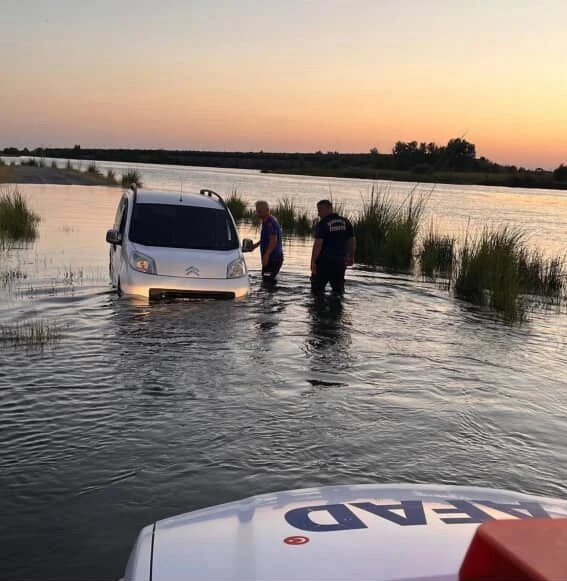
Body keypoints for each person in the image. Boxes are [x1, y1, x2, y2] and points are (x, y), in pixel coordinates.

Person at [310, 199, 355, 295]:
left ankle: (318, 304)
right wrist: (351, 256)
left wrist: (313, 262)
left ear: (329, 209)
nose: (318, 214)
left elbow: (318, 244)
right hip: (340, 263)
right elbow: (351, 241)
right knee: (338, 292)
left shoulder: (322, 224)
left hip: (324, 263)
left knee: (317, 292)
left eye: (320, 210)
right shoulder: (345, 222)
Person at [252, 200, 284, 283]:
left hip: (273, 259)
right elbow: (267, 238)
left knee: (267, 281)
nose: (258, 214)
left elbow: (274, 240)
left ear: (267, 210)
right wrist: (255, 245)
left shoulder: (270, 223)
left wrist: (267, 255)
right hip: (271, 258)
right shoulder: (266, 221)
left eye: (260, 211)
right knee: (266, 280)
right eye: (257, 211)